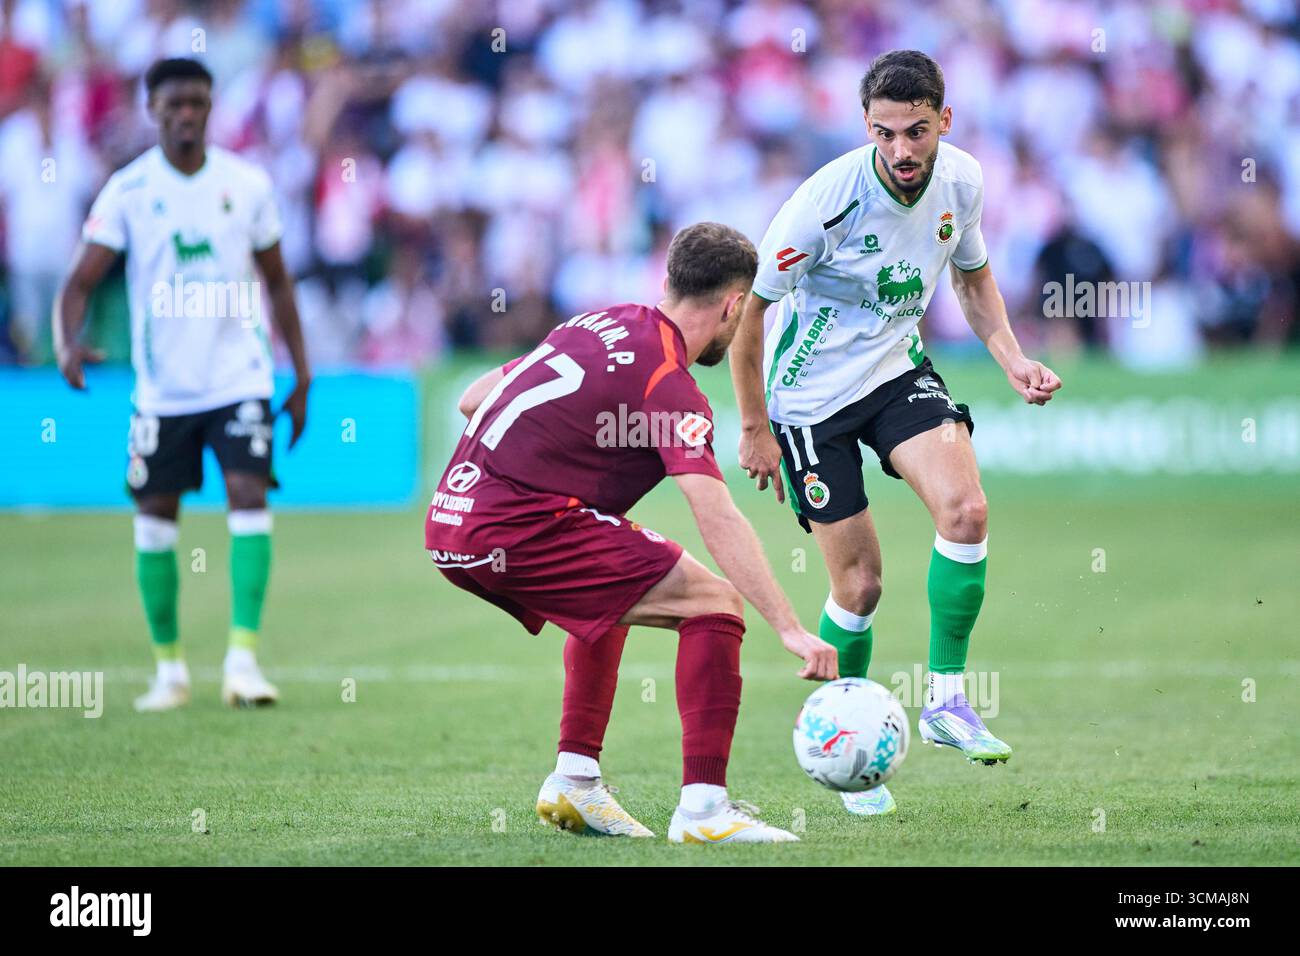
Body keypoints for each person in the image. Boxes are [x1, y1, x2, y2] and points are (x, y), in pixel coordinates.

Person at [428, 222, 838, 844]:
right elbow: (715, 512)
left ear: (670, 281)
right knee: (715, 604)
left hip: (450, 520)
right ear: (734, 306)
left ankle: (575, 779)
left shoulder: (596, 322)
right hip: (512, 525)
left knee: (619, 580)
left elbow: (472, 398)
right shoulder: (669, 384)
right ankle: (704, 810)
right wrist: (788, 626)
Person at [729, 50, 1062, 817]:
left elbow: (972, 278)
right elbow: (753, 312)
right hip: (809, 403)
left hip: (894, 372)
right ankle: (846, 754)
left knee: (967, 512)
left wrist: (1011, 358)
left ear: (945, 120)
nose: (902, 152)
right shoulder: (823, 203)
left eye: (916, 132)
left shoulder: (964, 182)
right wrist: (754, 428)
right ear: (866, 128)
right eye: (885, 134)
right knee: (861, 584)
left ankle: (945, 702)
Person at [53, 58, 311, 712]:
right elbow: (80, 281)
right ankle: (169, 671)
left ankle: (242, 661)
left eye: (197, 101)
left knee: (250, 496)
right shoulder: (129, 190)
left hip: (239, 377)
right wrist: (65, 339)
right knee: (155, 521)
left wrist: (302, 372)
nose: (186, 113)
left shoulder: (247, 184)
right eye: (174, 104)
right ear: (153, 109)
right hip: (163, 388)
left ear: (212, 106)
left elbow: (278, 281)